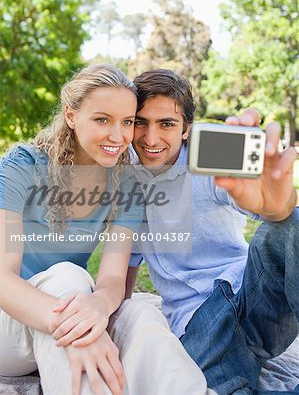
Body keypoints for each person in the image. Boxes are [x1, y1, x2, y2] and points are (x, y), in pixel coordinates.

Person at [0, 64, 214, 395]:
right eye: (103, 119)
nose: (119, 136)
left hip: (68, 308)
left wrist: (98, 307)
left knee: (138, 313)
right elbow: (3, 279)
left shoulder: (125, 182)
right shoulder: (23, 166)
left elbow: (113, 280)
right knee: (69, 278)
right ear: (71, 116)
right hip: (10, 327)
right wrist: (75, 324)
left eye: (127, 122)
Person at [126, 69, 299, 395]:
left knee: (293, 225)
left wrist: (279, 206)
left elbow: (277, 211)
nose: (151, 139)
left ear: (187, 128)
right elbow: (127, 263)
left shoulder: (209, 155)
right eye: (140, 122)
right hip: (199, 325)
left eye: (166, 124)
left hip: (251, 297)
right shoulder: (125, 178)